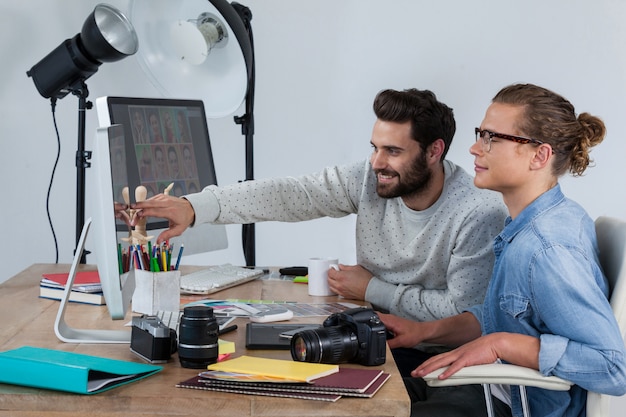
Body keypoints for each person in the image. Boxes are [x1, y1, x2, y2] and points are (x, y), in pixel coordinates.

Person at [132, 87, 507, 325]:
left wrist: (373, 289)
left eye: (393, 151)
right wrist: (194, 207)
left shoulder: (477, 212)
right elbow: (292, 195)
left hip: (427, 354)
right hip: (371, 326)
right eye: (375, 147)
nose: (376, 163)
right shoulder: (370, 176)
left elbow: (464, 314)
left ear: (434, 151)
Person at [380, 83, 626, 417]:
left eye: (492, 138)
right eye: (481, 134)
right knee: (363, 389)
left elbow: (612, 367)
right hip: (487, 388)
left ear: (539, 155)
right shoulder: (529, 224)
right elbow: (512, 316)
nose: (474, 148)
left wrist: (502, 344)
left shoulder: (547, 249)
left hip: (510, 405)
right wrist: (424, 331)